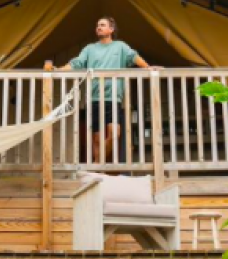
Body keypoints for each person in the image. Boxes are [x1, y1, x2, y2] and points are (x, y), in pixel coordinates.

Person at [56, 17, 156, 163]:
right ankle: (99, 170)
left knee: (114, 134)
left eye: (102, 25)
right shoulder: (89, 49)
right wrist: (59, 70)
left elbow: (133, 57)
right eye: (97, 25)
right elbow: (76, 63)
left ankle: (97, 163)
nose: (98, 27)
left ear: (111, 29)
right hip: (94, 98)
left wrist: (147, 67)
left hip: (113, 97)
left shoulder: (120, 46)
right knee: (96, 139)